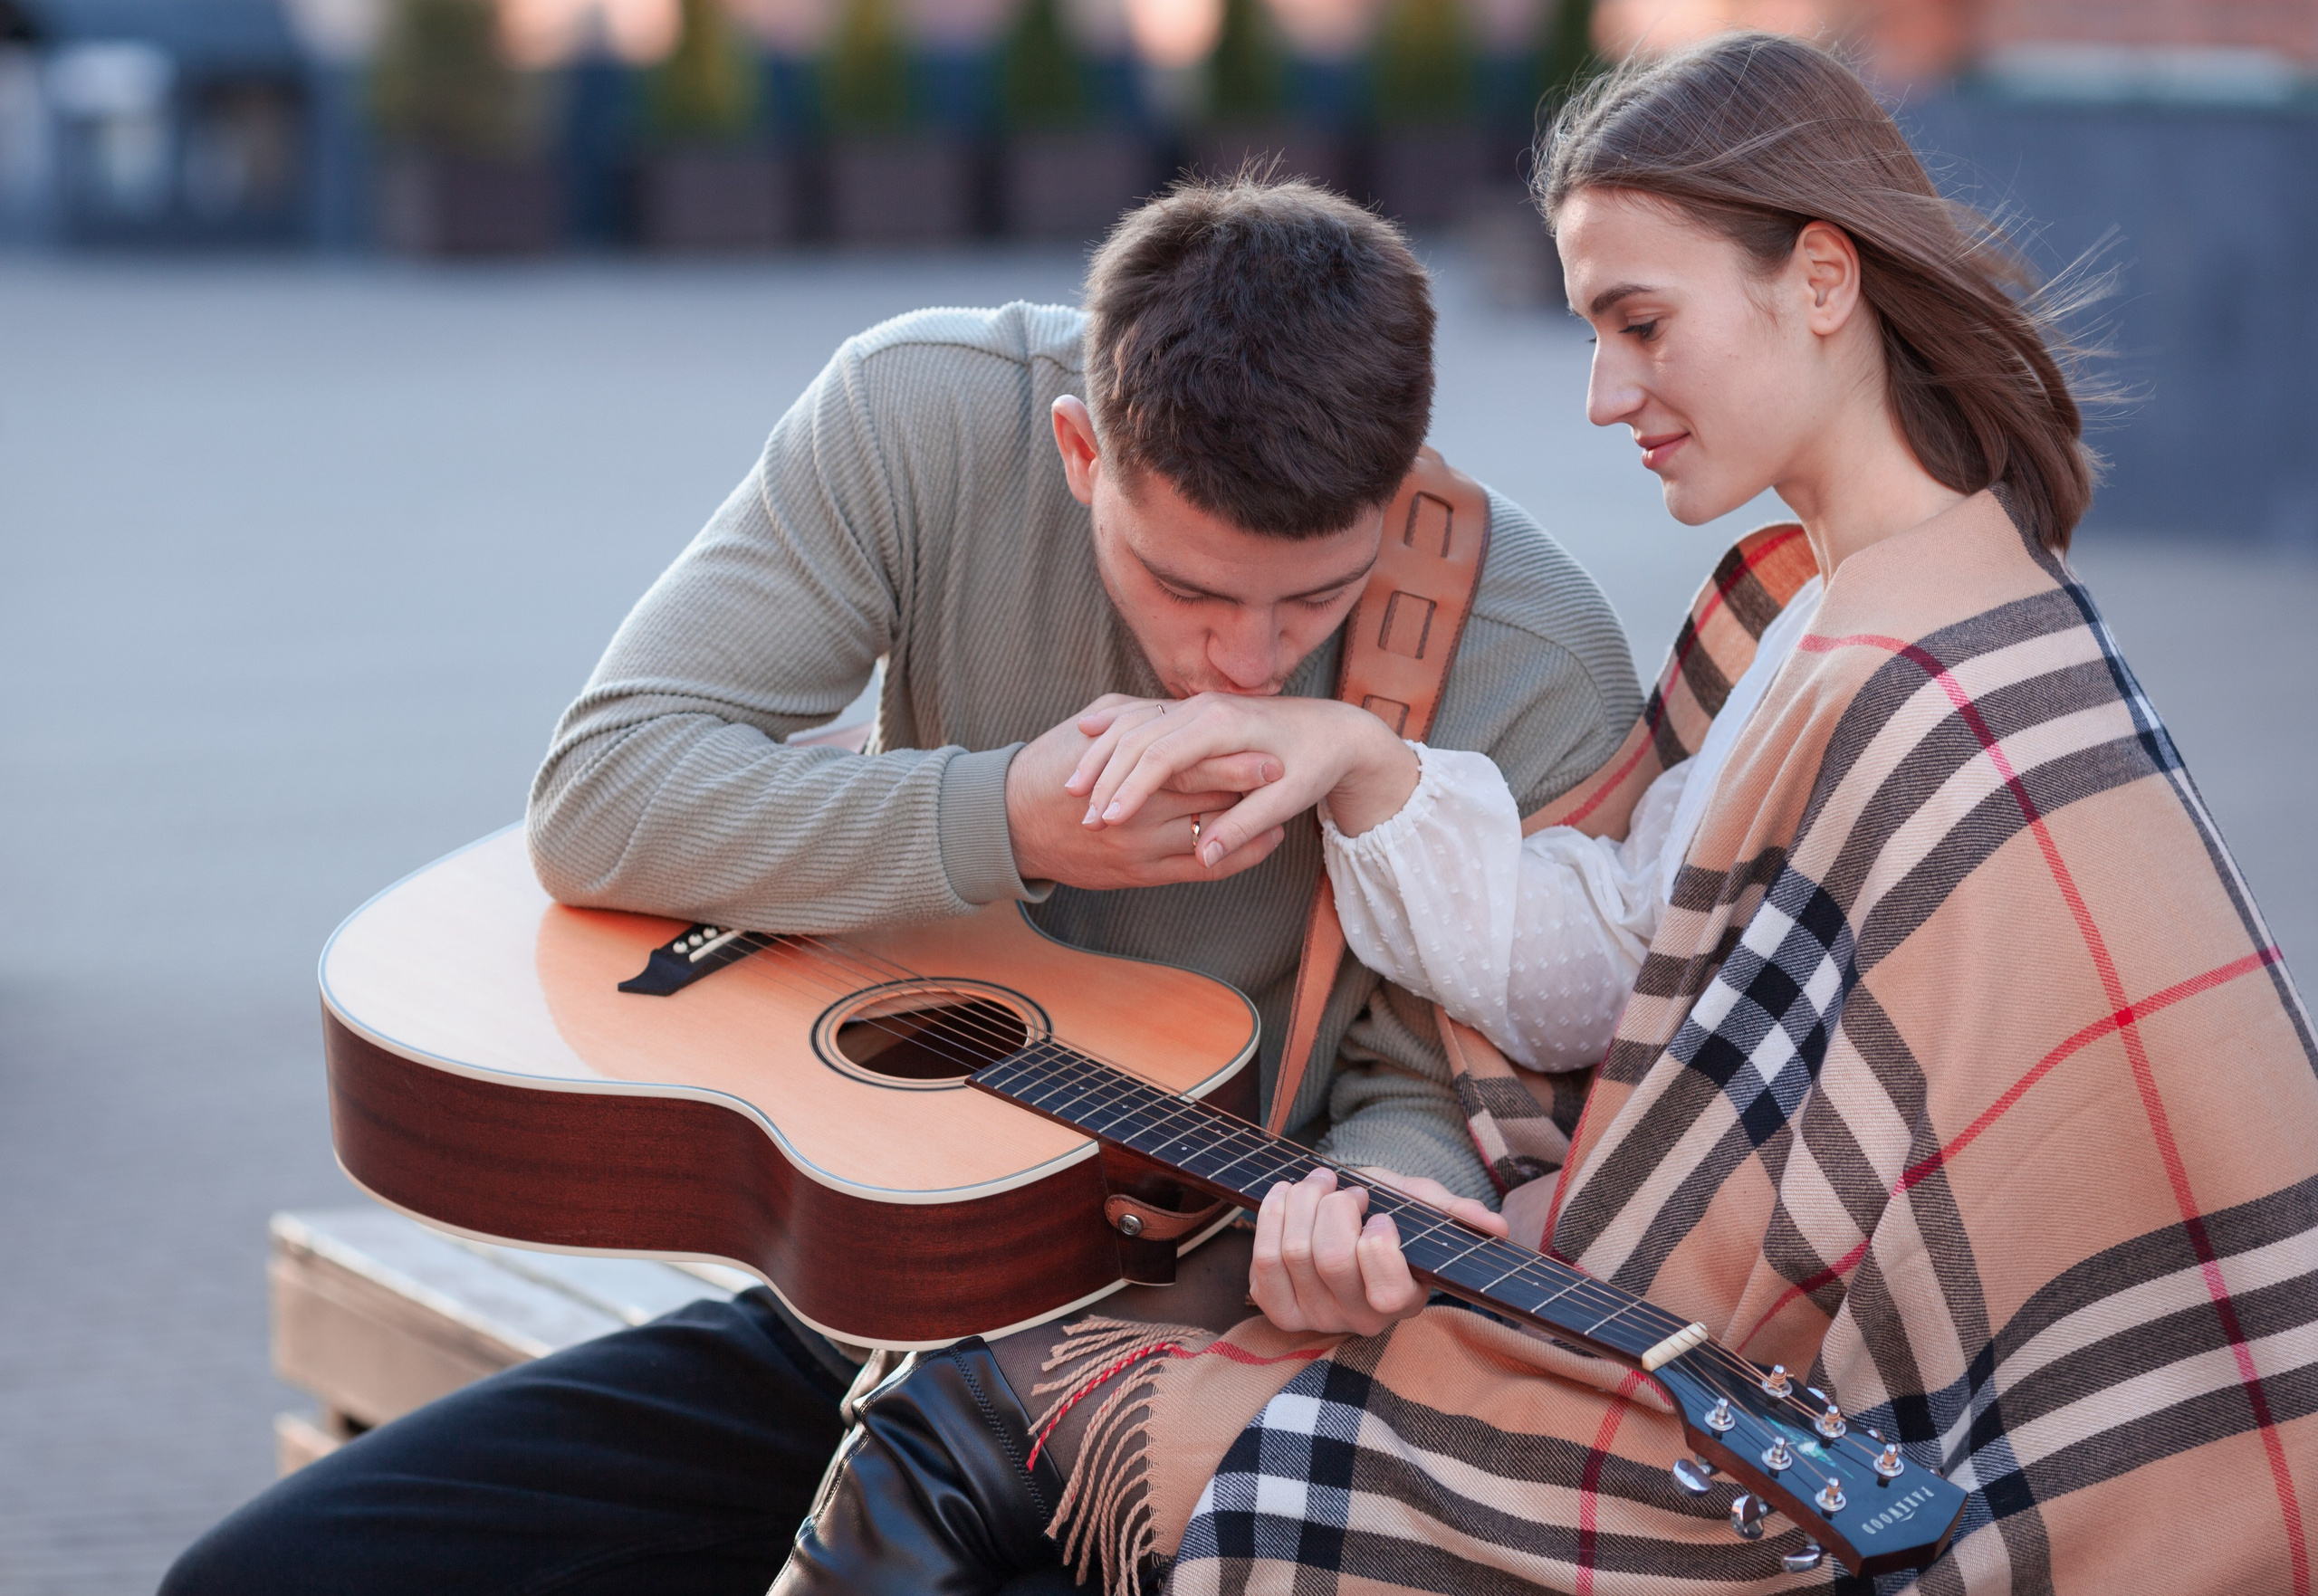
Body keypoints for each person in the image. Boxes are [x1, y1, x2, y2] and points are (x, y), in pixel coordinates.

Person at [785, 32, 2318, 1596]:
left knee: (993, 1413)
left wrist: (1510, 1231)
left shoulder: (1901, 653)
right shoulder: (1891, 601)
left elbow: (1761, 1116)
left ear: (1823, 281)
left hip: (1872, 1449)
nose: (1602, 395)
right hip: (1857, 1385)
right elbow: (1639, 968)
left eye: (1641, 323)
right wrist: (1354, 750)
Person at [159, 178, 1641, 1595]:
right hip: (883, 1298)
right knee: (263, 1577)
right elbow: (603, 790)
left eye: (1313, 599)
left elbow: (1440, 1076)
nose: (1242, 667)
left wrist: (1400, 1200)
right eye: (1185, 589)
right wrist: (1002, 817)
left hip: (1204, 1389)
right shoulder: (927, 420)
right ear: (1079, 454)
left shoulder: (1527, 652)